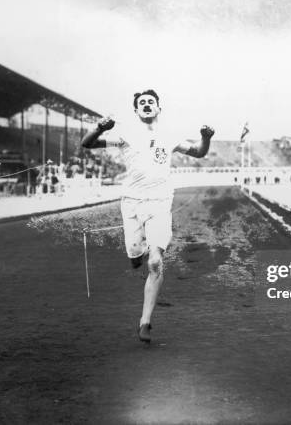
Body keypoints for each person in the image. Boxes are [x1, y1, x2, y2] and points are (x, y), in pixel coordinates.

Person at [81, 89, 215, 343]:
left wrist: (205, 137)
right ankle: (136, 253)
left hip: (160, 202)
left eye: (150, 102)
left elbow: (198, 152)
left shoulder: (169, 135)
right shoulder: (125, 134)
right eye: (141, 103)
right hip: (131, 202)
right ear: (135, 111)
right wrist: (99, 127)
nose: (145, 105)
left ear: (158, 109)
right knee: (134, 255)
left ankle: (145, 322)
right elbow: (87, 143)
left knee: (155, 263)